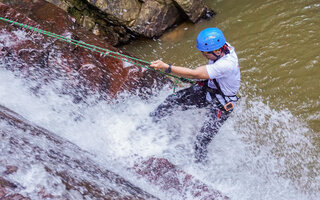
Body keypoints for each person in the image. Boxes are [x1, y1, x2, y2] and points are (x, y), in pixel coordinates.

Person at [149, 27, 240, 163]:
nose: (204, 56)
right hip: (208, 91)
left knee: (200, 142)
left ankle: (200, 169)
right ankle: (149, 124)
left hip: (222, 105)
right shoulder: (223, 46)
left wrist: (166, 67)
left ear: (217, 51)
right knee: (172, 100)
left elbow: (194, 73)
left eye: (205, 54)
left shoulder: (226, 64)